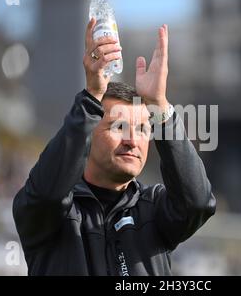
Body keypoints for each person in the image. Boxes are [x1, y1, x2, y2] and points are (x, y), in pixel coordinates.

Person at [12, 18, 216, 276]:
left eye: (142, 129)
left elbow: (198, 202)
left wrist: (160, 107)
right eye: (119, 127)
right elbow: (48, 194)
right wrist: (90, 98)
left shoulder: (153, 207)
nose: (132, 140)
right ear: (89, 134)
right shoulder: (52, 210)